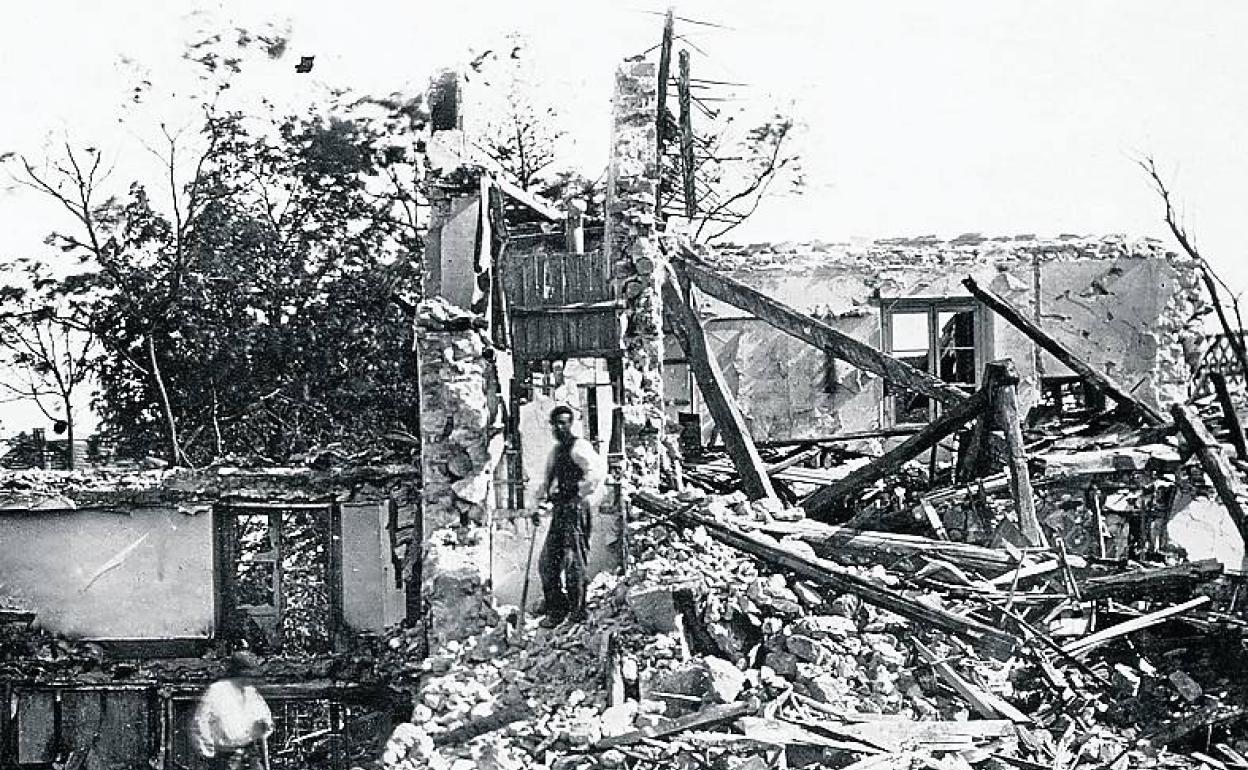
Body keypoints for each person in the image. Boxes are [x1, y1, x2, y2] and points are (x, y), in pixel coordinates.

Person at [534, 405, 606, 628]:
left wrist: (574, 489)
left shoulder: (580, 447)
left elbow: (596, 473)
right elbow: (547, 486)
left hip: (575, 510)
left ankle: (577, 611)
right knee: (547, 562)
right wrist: (539, 507)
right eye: (556, 423)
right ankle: (557, 609)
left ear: (571, 424)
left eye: (564, 422)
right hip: (560, 511)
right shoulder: (555, 453)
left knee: (574, 562)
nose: (559, 427)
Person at [192, 651, 274, 770]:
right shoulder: (217, 691)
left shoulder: (251, 692)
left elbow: (265, 716)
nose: (250, 679)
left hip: (250, 754)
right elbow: (200, 723)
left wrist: (265, 725)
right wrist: (209, 754)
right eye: (247, 675)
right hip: (225, 756)